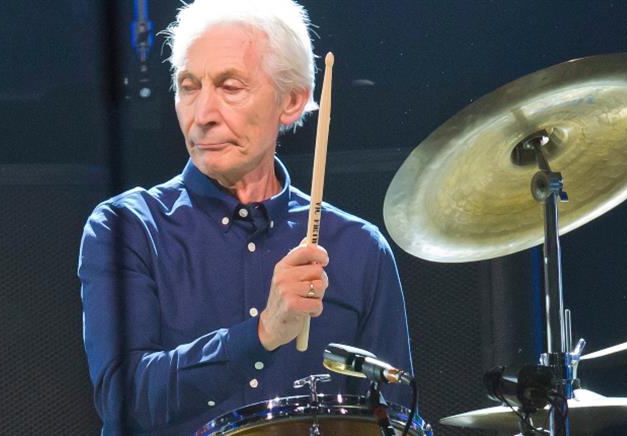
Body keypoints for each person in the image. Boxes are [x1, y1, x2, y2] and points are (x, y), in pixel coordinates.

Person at [78, 0, 414, 434]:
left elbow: (394, 419)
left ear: (291, 101)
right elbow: (123, 400)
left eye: (230, 87)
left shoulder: (358, 249)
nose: (203, 115)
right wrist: (262, 333)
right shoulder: (127, 228)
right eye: (188, 87)